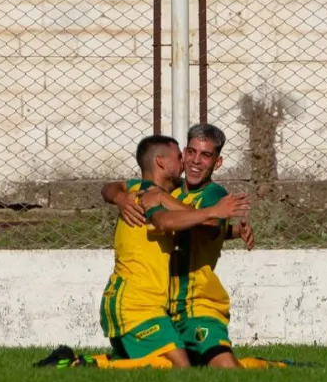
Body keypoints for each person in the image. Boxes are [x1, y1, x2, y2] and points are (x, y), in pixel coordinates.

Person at [36, 135, 250, 369]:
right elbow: (164, 222)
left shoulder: (148, 193)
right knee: (180, 366)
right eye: (180, 156)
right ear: (160, 162)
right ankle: (77, 365)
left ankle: (82, 361)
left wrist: (232, 231)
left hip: (147, 304)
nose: (185, 162)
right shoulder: (146, 195)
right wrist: (212, 212)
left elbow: (113, 189)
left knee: (167, 362)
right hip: (134, 304)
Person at [106, 124, 287, 369]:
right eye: (190, 152)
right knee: (174, 365)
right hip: (164, 306)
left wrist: (223, 225)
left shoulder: (213, 195)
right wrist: (119, 197)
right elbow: (113, 188)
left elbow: (207, 229)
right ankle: (96, 363)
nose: (195, 161)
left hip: (197, 304)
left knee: (225, 368)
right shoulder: (169, 188)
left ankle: (269, 367)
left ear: (217, 163)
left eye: (206, 155)